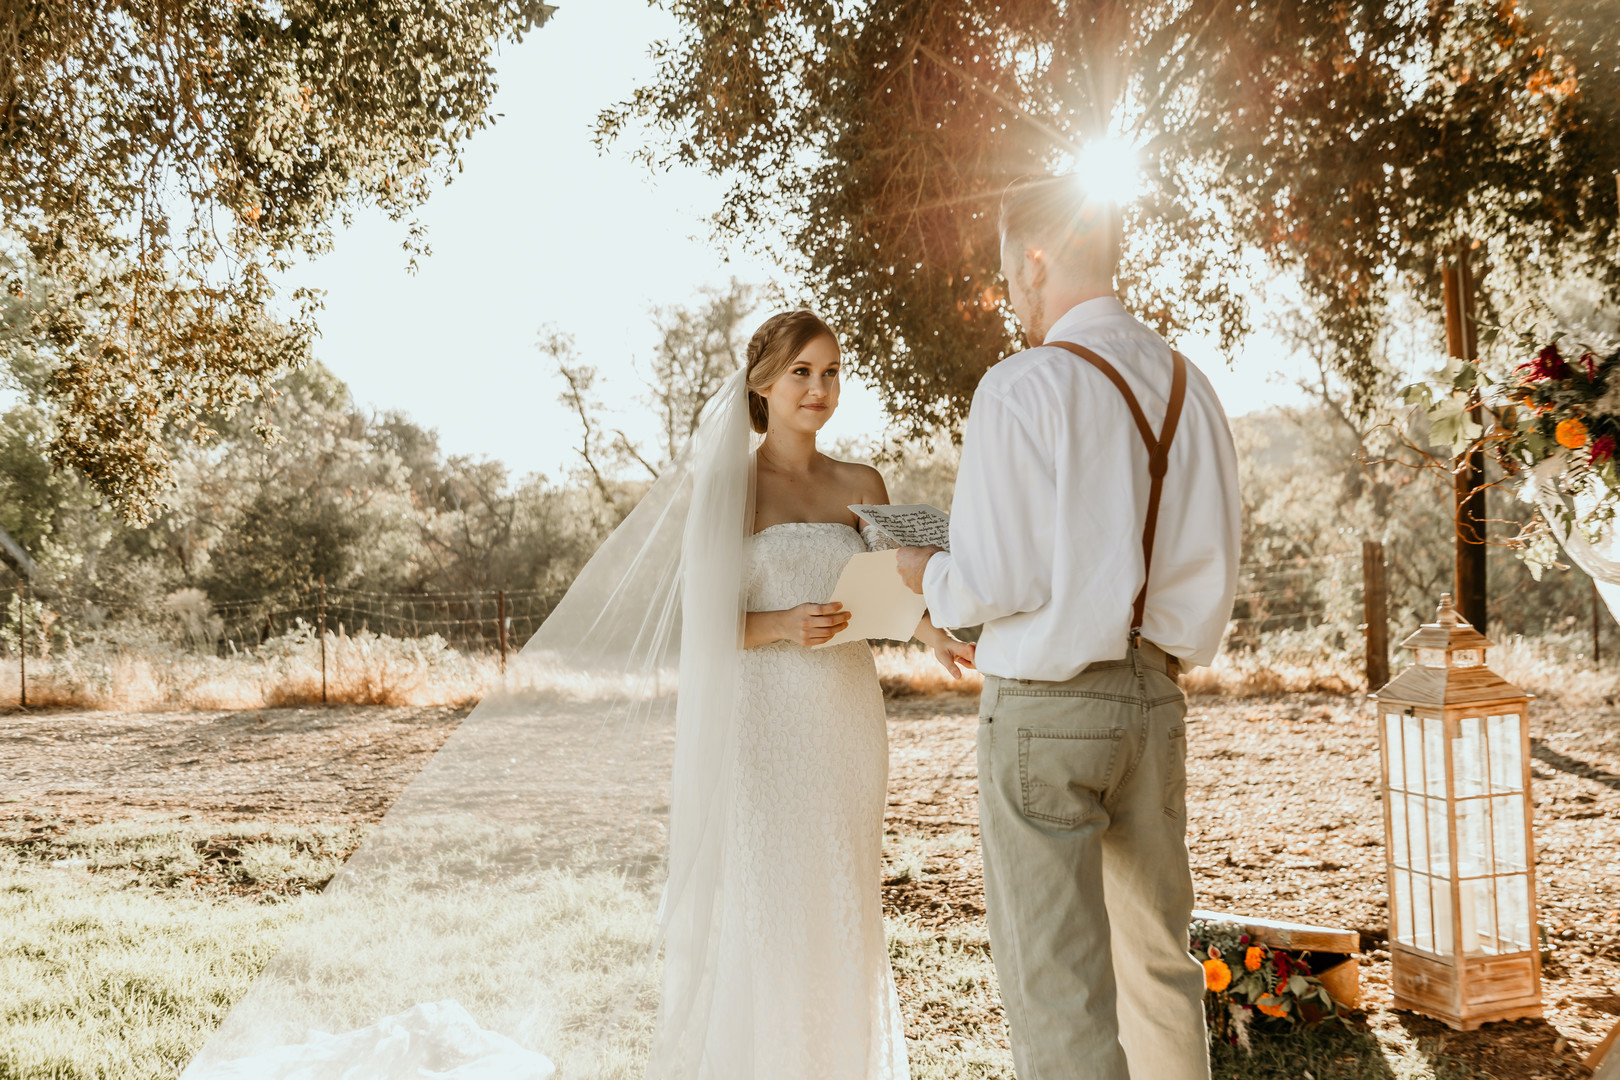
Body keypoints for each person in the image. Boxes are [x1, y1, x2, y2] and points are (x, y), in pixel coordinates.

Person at [896, 176, 1240, 1080]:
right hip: (1157, 700)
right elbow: (1212, 568)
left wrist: (922, 571)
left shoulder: (1024, 384)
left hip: (1046, 714)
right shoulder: (1190, 389)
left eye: (1010, 276)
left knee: (1058, 987)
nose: (1012, 297)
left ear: (1037, 259)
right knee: (1160, 966)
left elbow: (991, 582)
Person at [654, 308, 973, 1079]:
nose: (820, 387)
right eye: (803, 371)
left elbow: (888, 595)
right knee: (770, 902)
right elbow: (696, 626)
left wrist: (935, 634)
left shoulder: (862, 484)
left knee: (842, 897)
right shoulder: (730, 488)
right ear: (761, 384)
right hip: (763, 721)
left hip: (845, 720)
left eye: (831, 372)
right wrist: (780, 626)